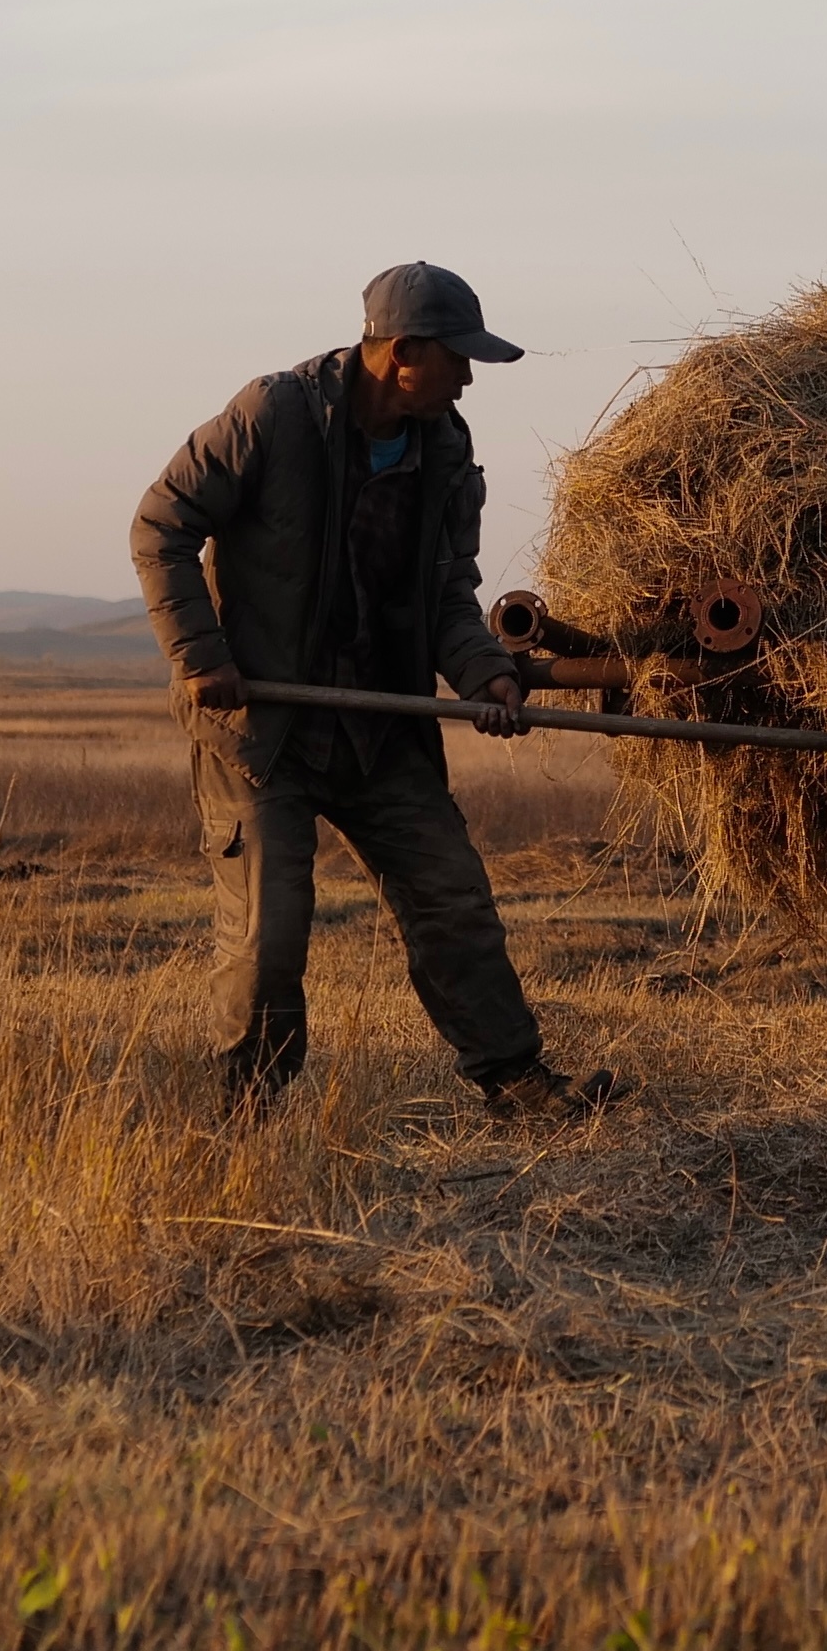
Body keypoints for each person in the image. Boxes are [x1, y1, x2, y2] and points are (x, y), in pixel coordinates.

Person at [130, 261, 611, 1122]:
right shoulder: (273, 415)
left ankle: (517, 1084)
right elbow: (160, 525)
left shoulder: (447, 447)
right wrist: (201, 654)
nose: (467, 378)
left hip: (380, 728)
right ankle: (249, 1112)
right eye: (458, 359)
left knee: (452, 898)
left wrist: (485, 673)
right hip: (264, 727)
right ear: (403, 352)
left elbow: (445, 596)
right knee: (270, 934)